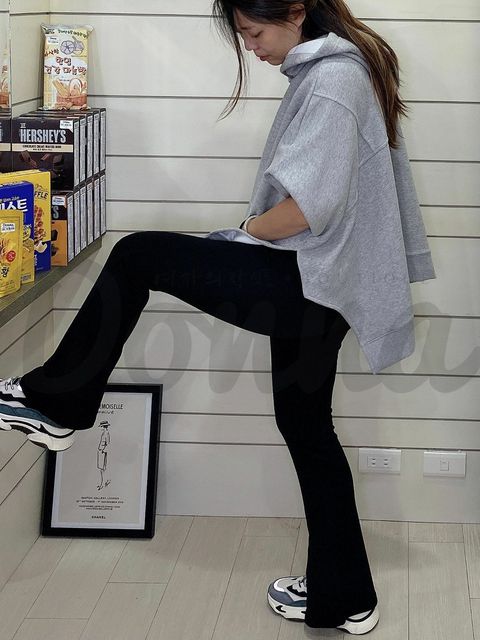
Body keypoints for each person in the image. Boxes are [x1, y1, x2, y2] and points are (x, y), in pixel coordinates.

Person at [0, 0, 435, 634]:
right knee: (308, 428)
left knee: (138, 254)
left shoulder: (333, 79)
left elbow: (307, 209)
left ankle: (57, 403)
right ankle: (345, 596)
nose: (251, 48)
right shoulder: (343, 70)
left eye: (253, 32)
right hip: (332, 285)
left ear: (295, 10)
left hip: (310, 280)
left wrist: (243, 233)